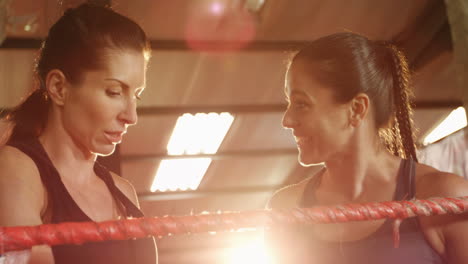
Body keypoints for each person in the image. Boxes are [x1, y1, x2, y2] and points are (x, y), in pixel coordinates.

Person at [265, 32, 468, 263]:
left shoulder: (443, 198)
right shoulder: (286, 208)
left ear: (357, 109)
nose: (287, 120)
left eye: (301, 104)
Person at [0, 3, 157, 264]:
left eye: (136, 96)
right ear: (59, 87)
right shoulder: (17, 168)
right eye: (115, 92)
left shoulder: (124, 192)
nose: (131, 116)